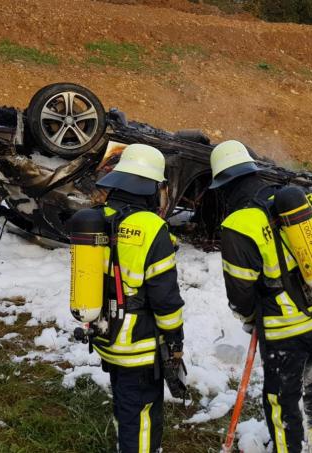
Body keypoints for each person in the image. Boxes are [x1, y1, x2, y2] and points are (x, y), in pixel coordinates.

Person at [210, 140, 312, 453]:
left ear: (224, 186)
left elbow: (240, 291)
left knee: (281, 400)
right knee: (309, 382)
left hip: (284, 329)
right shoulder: (287, 199)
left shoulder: (238, 225)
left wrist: (249, 318)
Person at [93, 143, 184, 453]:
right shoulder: (153, 228)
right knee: (143, 414)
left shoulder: (98, 217)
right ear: (151, 187)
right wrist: (175, 339)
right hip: (139, 343)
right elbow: (165, 299)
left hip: (105, 334)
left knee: (125, 404)